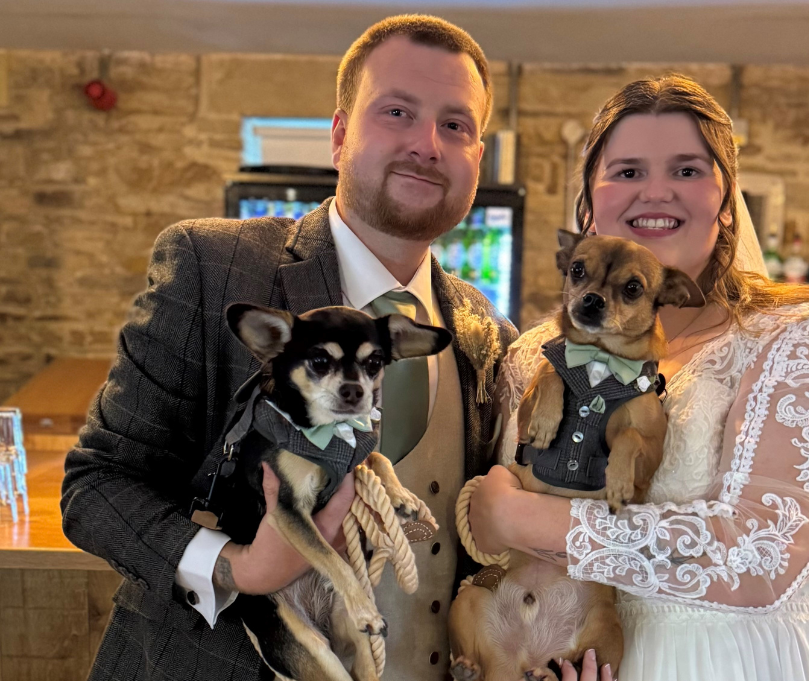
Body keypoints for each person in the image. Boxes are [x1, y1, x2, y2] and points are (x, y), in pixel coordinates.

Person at [60, 15, 516, 681]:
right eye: (397, 111)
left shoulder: (482, 327)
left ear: (476, 157)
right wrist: (238, 565)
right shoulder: (212, 266)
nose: (427, 142)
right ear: (339, 135)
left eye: (456, 125)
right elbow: (96, 485)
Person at [468, 74, 809, 681]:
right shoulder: (537, 355)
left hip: (754, 662)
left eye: (687, 170)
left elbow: (763, 553)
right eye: (626, 172)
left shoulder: (802, 338)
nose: (655, 192)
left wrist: (514, 519)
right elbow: (510, 549)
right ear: (589, 205)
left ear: (726, 202)